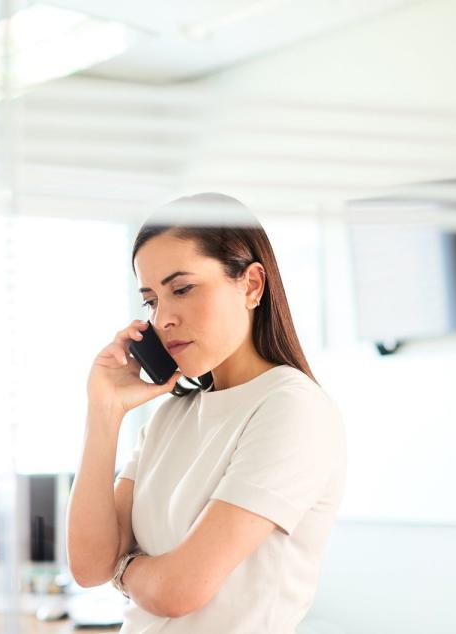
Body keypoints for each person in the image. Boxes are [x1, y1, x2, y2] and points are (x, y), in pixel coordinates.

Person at [66, 193, 346, 633]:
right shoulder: (170, 417)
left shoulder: (291, 407)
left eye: (182, 289)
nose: (164, 319)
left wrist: (122, 568)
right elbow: (88, 566)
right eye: (151, 300)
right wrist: (104, 412)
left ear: (252, 285)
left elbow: (179, 590)